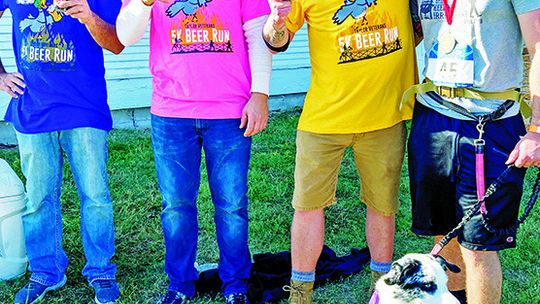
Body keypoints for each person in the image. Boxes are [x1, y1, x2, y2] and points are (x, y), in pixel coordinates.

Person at [116, 0, 271, 303]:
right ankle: (180, 283)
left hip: (230, 110)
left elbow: (257, 34)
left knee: (232, 205)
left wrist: (260, 93)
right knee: (176, 205)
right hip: (172, 110)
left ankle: (236, 284)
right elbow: (125, 35)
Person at [263, 0, 417, 302]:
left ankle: (382, 288)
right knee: (307, 205)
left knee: (383, 205)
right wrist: (276, 23)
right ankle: (300, 293)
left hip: (384, 116)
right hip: (324, 119)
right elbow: (275, 42)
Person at [406, 1, 540, 303]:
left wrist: (537, 130)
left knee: (478, 246)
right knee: (443, 232)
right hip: (433, 117)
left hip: (490, 123)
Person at [0, 0, 124, 303]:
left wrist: (90, 17)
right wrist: (0, 74)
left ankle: (101, 271)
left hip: (84, 107)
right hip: (33, 108)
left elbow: (117, 44)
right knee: (38, 196)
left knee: (95, 196)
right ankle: (46, 271)